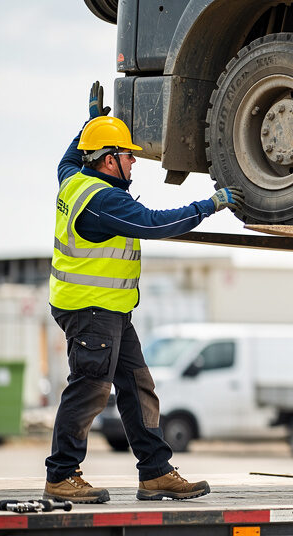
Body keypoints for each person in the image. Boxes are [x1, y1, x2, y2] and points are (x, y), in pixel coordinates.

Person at [45, 82, 243, 503]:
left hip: (109, 310)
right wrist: (208, 206)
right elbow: (155, 223)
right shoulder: (104, 202)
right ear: (107, 160)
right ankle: (61, 475)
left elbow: (68, 156)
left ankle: (155, 472)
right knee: (89, 389)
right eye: (127, 154)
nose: (134, 160)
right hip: (90, 310)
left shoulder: (74, 178)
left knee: (137, 388)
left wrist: (92, 123)